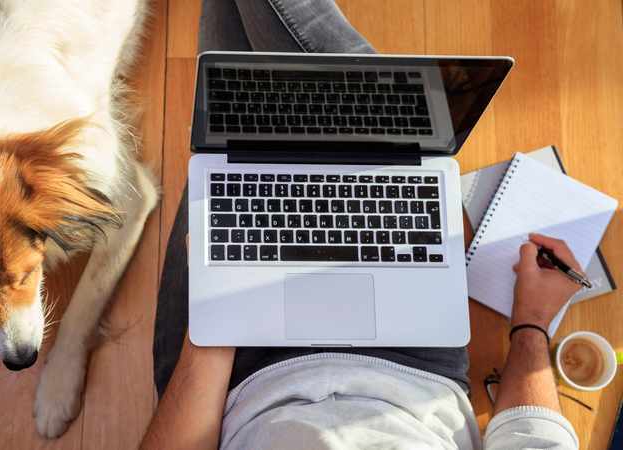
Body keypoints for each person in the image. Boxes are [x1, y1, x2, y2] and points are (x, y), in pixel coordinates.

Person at [140, 1, 580, 448]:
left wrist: (219, 325)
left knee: (232, 123)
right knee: (254, 83)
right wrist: (533, 320)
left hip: (225, 383)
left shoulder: (219, 346)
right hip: (414, 368)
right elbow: (532, 438)